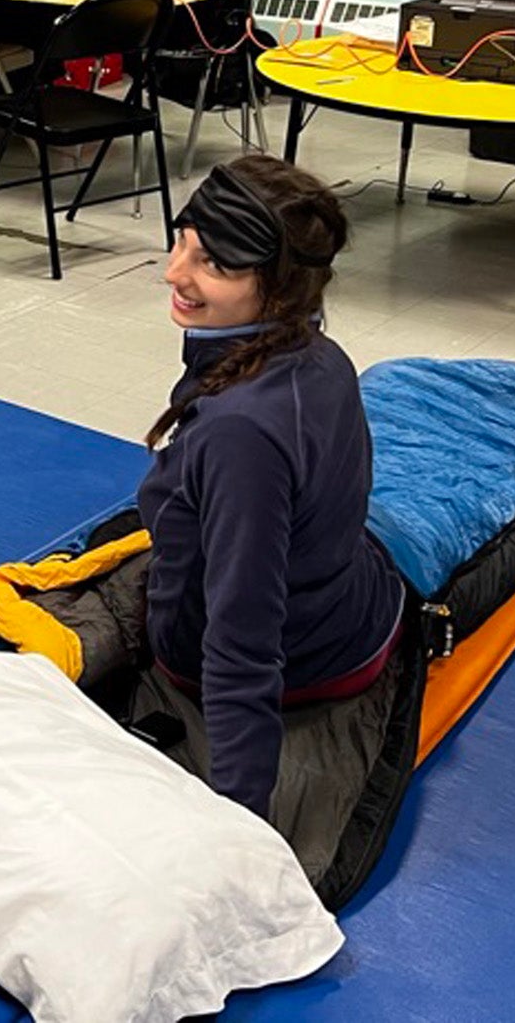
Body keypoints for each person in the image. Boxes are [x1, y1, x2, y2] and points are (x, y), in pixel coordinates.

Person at [137, 154, 402, 826]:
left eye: (213, 265)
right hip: (359, 611)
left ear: (278, 289)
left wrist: (239, 825)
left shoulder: (238, 433)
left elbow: (241, 642)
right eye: (182, 242)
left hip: (303, 665)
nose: (175, 273)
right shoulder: (319, 351)